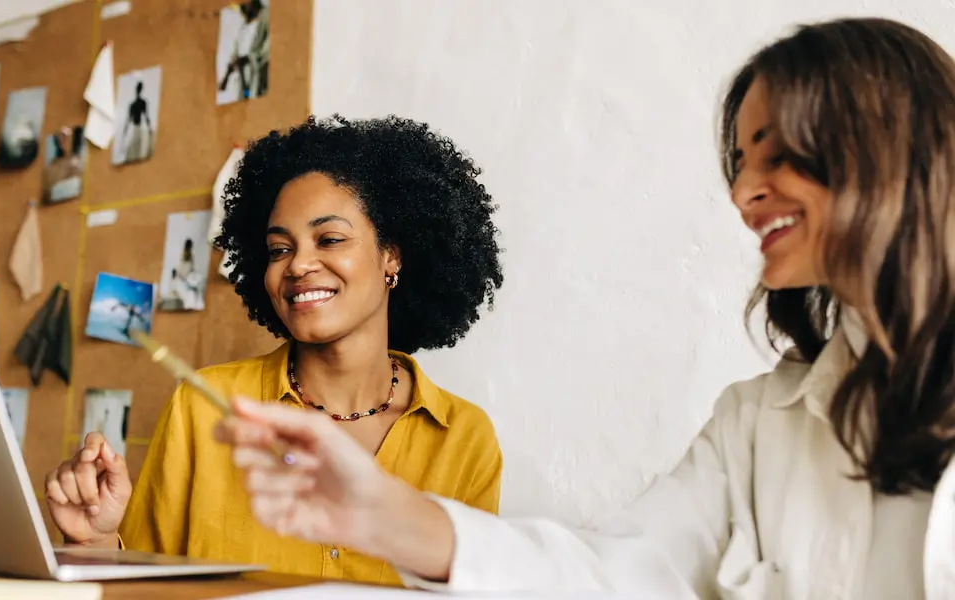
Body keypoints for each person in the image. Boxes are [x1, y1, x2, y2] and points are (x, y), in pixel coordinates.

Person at [215, 17, 955, 599]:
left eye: (773, 154)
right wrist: (393, 518)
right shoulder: (757, 424)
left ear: (884, 144)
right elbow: (617, 572)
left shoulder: (465, 433)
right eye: (740, 163)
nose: (741, 194)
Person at [45, 114, 506, 586]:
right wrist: (97, 543)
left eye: (329, 239)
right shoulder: (202, 407)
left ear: (392, 254)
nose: (299, 264)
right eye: (279, 249)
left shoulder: (464, 438)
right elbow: (148, 590)